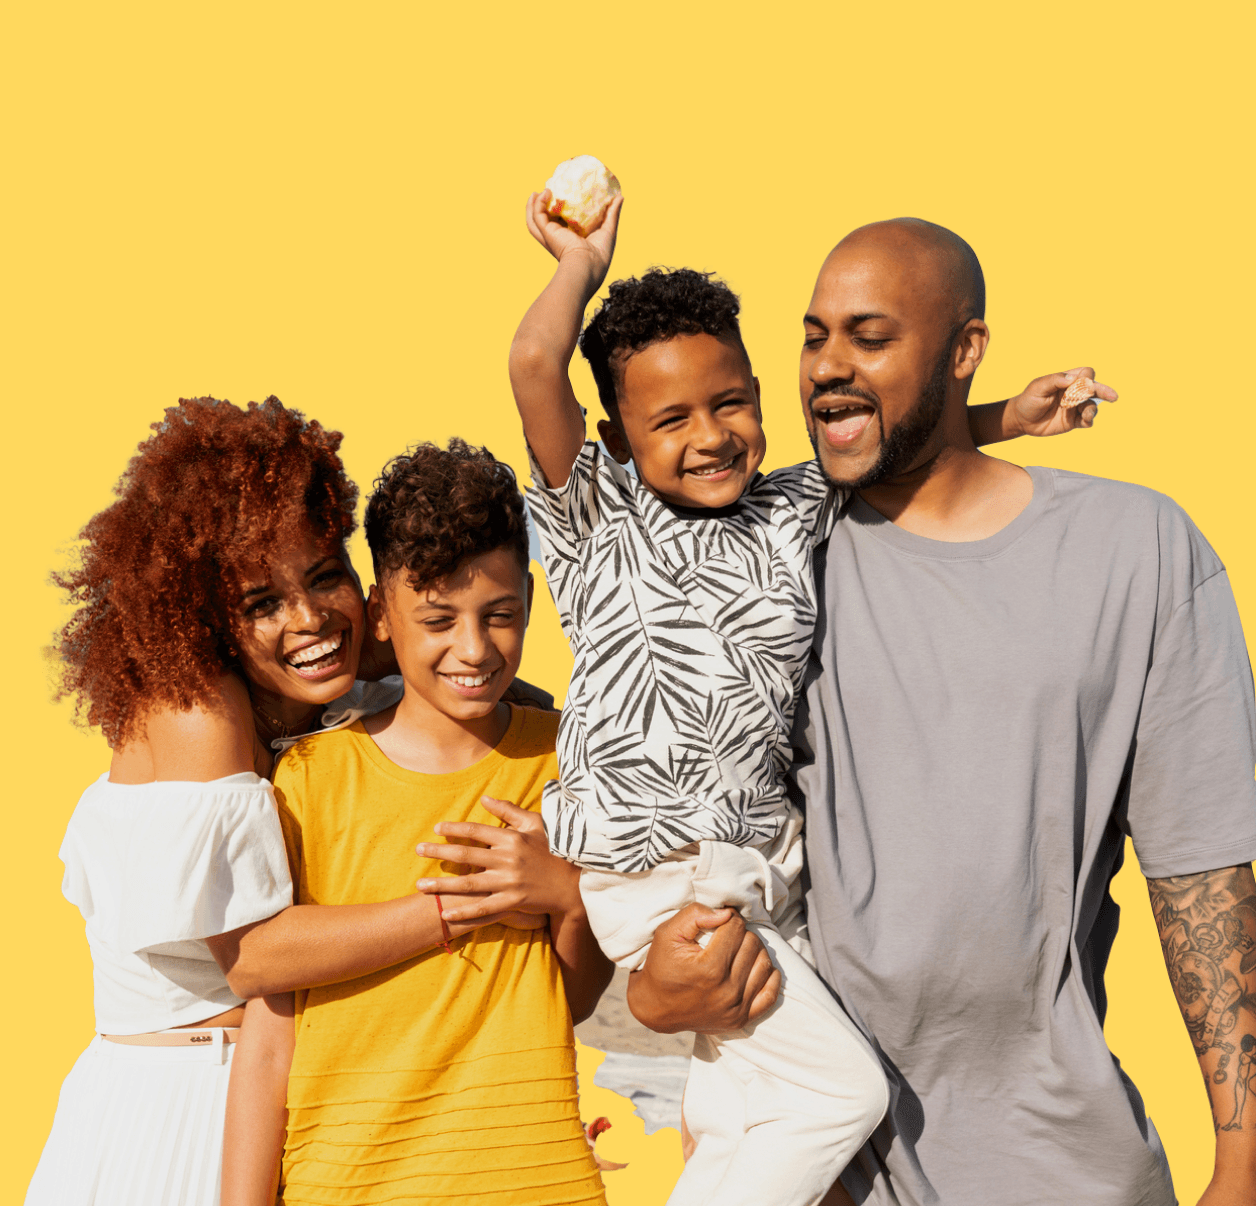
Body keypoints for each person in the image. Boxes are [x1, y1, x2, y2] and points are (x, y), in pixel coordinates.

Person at [628, 218, 1256, 1206]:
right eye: (811, 335)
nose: (825, 367)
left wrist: (1242, 1164)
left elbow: (1204, 877)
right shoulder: (757, 557)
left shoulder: (1138, 552)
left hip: (1062, 1166)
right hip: (821, 1166)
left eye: (867, 337)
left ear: (962, 350)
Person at [504, 191, 1113, 1205]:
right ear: (615, 437)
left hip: (752, 874)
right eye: (670, 418)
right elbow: (534, 366)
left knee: (744, 1112)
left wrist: (1015, 416)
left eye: (730, 400)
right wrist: (580, 262)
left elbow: (909, 451)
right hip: (654, 872)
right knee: (839, 1096)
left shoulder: (795, 503)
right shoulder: (596, 520)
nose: (710, 434)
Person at [28, 398, 563, 1206]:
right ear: (206, 618)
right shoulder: (198, 710)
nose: (309, 619)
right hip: (186, 1111)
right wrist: (473, 901)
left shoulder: (347, 691)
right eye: (261, 603)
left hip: (310, 1108)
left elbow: (470, 666)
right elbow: (253, 958)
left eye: (324, 578)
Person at [221, 439, 611, 1206]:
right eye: (438, 619)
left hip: (536, 1181)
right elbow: (268, 1040)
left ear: (530, 603)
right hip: (348, 1183)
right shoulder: (307, 780)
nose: (473, 648)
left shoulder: (568, 761)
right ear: (381, 617)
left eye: (499, 616)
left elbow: (579, 992)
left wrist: (564, 895)